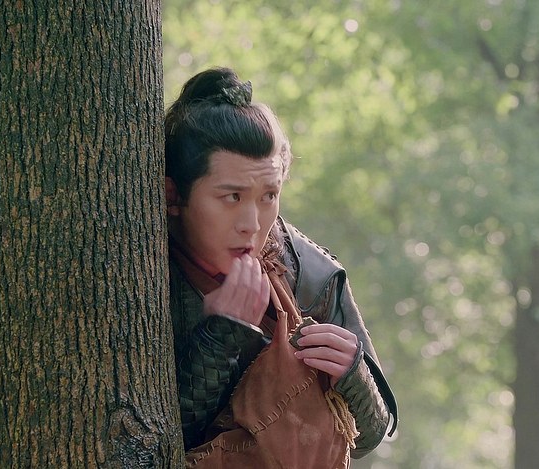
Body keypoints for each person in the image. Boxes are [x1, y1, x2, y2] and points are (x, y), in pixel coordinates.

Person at [165, 67, 397, 466]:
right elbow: (150, 440)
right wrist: (221, 335)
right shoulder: (143, 271)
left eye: (268, 196)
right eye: (232, 197)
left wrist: (352, 372)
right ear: (174, 196)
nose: (252, 224)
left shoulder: (306, 274)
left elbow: (369, 438)